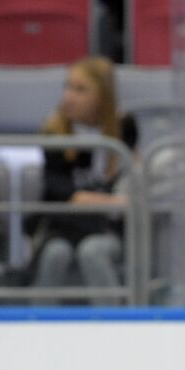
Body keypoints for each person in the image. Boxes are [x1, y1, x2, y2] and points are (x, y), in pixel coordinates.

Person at [30, 57, 136, 304]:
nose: (69, 96)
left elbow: (126, 189)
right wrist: (103, 200)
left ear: (103, 96)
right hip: (62, 226)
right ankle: (38, 319)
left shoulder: (125, 127)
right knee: (56, 253)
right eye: (67, 87)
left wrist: (89, 199)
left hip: (107, 227)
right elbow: (59, 189)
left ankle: (113, 321)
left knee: (93, 251)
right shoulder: (53, 131)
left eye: (80, 90)